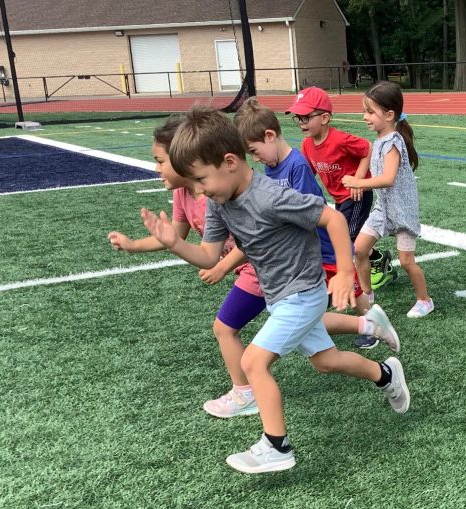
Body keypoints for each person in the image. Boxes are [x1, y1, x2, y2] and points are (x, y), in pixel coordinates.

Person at [141, 107, 410, 474]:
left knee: (253, 361)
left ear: (230, 162)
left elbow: (331, 217)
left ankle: (276, 446)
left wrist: (345, 272)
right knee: (326, 362)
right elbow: (207, 256)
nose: (200, 191)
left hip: (303, 291)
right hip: (279, 295)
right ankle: (387, 375)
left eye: (202, 180)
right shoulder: (220, 202)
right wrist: (174, 243)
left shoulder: (270, 196)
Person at [107, 114, 267, 420]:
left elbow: (255, 237)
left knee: (225, 327)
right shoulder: (184, 193)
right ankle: (368, 327)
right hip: (256, 270)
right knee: (313, 338)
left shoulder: (218, 191)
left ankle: (244, 394)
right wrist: (133, 245)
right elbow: (176, 237)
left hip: (260, 268)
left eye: (160, 161)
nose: (156, 169)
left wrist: (222, 267)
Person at [231, 97, 400, 355]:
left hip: (324, 244)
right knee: (314, 299)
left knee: (352, 290)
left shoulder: (296, 166)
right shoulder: (274, 169)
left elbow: (310, 209)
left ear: (269, 136)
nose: (255, 159)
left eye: (254, 151)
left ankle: (374, 320)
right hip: (305, 250)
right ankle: (355, 326)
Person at [286, 86, 395, 348]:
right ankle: (378, 261)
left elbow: (366, 148)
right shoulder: (307, 145)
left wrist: (359, 179)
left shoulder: (340, 139)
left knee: (346, 247)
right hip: (338, 201)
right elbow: (308, 173)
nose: (301, 123)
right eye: (298, 118)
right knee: (347, 246)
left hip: (355, 197)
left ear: (324, 117)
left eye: (306, 117)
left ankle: (365, 301)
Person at [342, 80, 433, 320]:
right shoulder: (381, 140)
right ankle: (368, 295)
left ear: (390, 114)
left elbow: (388, 178)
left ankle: (425, 300)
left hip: (402, 211)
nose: (365, 117)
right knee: (359, 250)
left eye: (370, 112)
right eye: (365, 111)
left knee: (406, 261)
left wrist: (358, 183)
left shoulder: (393, 141)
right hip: (383, 210)